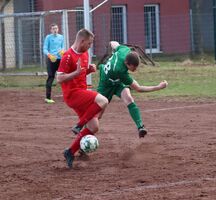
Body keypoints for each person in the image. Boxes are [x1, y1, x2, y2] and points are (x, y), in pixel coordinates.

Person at [56, 29, 108, 169]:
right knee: (103, 101)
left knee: (94, 127)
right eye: (89, 43)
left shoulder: (85, 53)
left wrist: (88, 70)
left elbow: (80, 75)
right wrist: (76, 72)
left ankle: (70, 152)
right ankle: (79, 125)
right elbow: (59, 78)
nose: (90, 46)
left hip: (82, 93)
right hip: (72, 95)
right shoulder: (67, 56)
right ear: (82, 41)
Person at [97, 41, 168, 138]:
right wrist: (158, 87)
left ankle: (140, 127)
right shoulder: (120, 71)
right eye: (133, 67)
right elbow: (138, 88)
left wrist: (110, 44)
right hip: (106, 84)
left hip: (117, 82)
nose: (135, 69)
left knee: (129, 99)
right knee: (98, 114)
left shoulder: (125, 50)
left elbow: (114, 43)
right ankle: (81, 128)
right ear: (127, 63)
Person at [43, 23, 65, 104]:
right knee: (51, 77)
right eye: (53, 29)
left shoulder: (61, 37)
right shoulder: (48, 37)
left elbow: (62, 47)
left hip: (60, 60)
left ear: (58, 29)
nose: (55, 30)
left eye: (56, 28)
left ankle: (67, 95)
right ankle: (48, 98)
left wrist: (62, 52)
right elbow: (45, 48)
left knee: (63, 77)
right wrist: (49, 55)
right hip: (51, 60)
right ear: (51, 30)